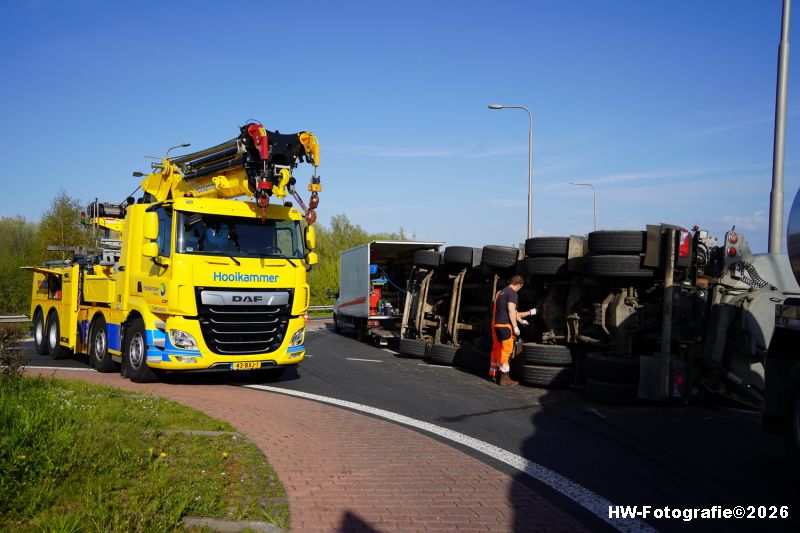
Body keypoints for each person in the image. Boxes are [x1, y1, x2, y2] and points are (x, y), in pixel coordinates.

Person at [490, 274, 534, 384]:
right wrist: (515, 327)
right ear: (519, 284)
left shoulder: (501, 292)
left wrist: (522, 320)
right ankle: (504, 378)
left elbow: (513, 312)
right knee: (507, 351)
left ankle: (496, 374)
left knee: (499, 350)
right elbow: (511, 310)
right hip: (506, 326)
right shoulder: (512, 293)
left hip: (497, 326)